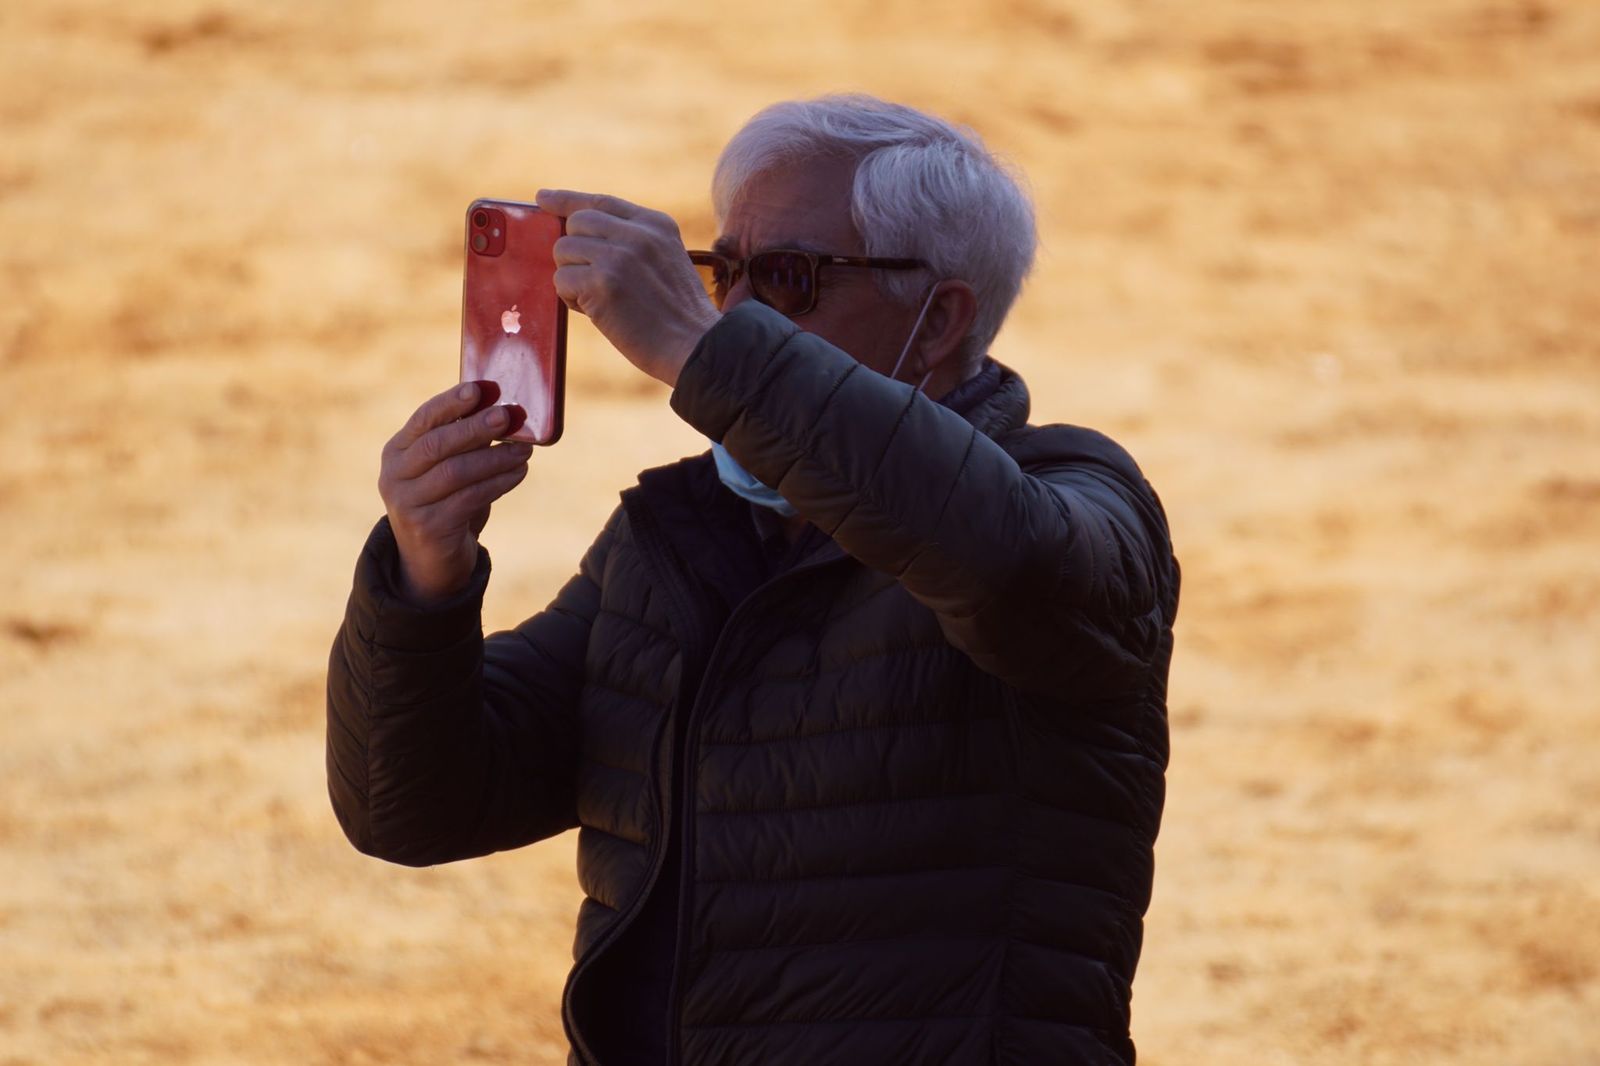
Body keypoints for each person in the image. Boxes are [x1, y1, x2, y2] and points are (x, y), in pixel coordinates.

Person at [326, 93, 1181, 1066]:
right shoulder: (676, 538)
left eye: (787, 277)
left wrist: (703, 353)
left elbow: (1011, 563)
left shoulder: (1074, 490)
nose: (731, 309)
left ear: (939, 319)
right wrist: (424, 578)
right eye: (723, 270)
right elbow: (413, 806)